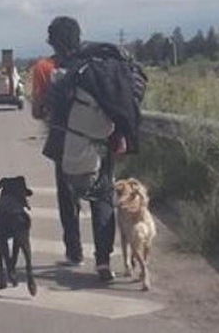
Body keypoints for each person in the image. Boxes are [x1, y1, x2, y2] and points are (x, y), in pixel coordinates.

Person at [31, 16, 130, 281]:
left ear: (53, 41)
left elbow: (37, 112)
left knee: (68, 196)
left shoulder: (46, 69)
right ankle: (103, 261)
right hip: (101, 143)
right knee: (102, 198)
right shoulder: (101, 66)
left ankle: (74, 251)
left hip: (65, 142)